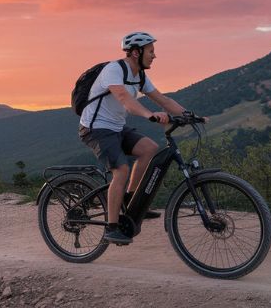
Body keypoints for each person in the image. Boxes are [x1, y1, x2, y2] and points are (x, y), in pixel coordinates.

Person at [78, 32, 193, 245]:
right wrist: (149, 115)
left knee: (149, 148)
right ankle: (112, 227)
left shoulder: (139, 75)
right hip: (96, 129)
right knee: (121, 170)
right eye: (151, 51)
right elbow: (123, 99)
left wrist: (190, 116)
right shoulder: (114, 70)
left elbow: (163, 99)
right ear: (136, 52)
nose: (154, 56)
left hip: (116, 128)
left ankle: (131, 200)